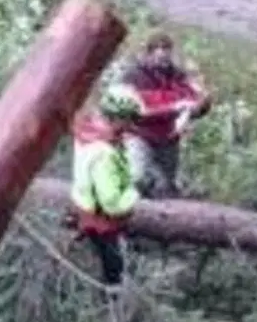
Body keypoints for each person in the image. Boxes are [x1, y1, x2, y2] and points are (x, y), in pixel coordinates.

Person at [115, 33, 212, 199]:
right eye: (159, 59)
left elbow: (198, 101)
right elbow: (135, 110)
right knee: (137, 177)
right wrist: (173, 108)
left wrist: (198, 107)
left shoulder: (178, 76)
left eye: (166, 60)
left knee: (166, 187)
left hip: (168, 139)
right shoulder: (133, 77)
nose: (163, 64)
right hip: (139, 135)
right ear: (149, 54)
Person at [69, 84, 143, 287]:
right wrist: (133, 194)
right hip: (102, 221)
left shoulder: (89, 134)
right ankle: (113, 301)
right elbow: (112, 203)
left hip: (86, 207)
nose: (132, 125)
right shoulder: (104, 154)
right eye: (130, 119)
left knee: (107, 255)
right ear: (118, 118)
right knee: (114, 268)